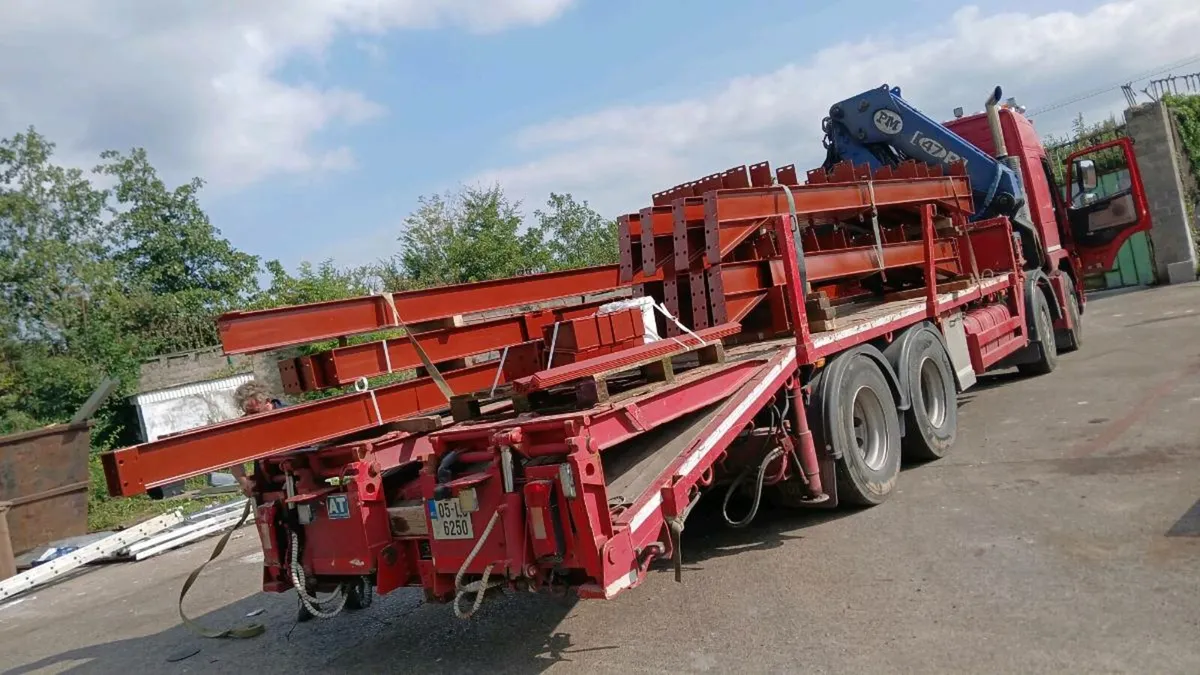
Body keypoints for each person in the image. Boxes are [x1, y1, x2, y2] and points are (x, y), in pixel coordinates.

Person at [230, 381, 286, 497]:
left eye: (254, 412)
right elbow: (233, 457)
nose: (250, 418)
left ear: (267, 401)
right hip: (267, 487)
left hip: (297, 480)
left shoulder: (290, 415)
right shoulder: (246, 423)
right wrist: (244, 482)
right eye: (247, 413)